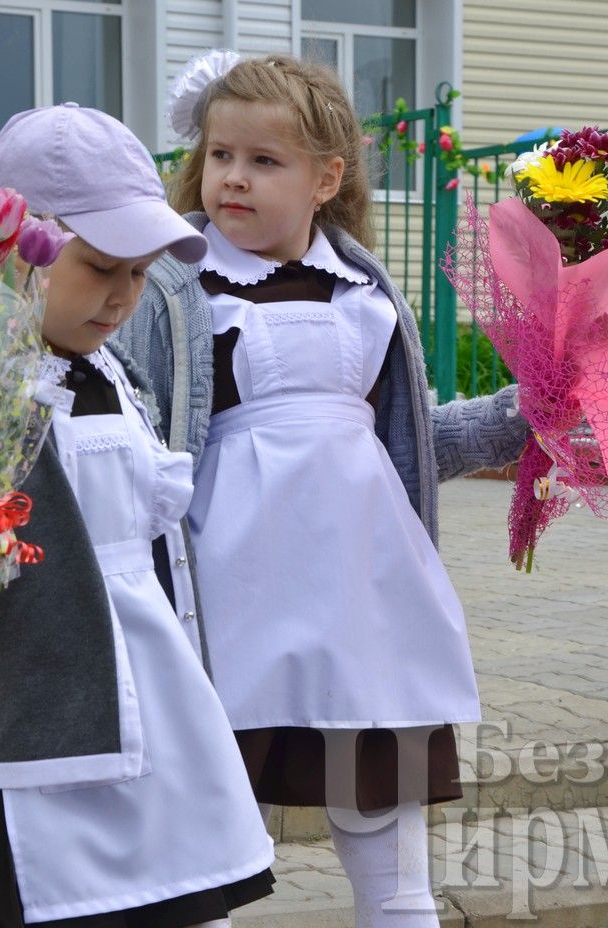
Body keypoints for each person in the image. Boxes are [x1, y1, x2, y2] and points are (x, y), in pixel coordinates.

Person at [118, 53, 529, 928]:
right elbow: (131, 435)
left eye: (264, 162)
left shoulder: (367, 294)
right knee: (205, 829)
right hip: (229, 595)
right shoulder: (167, 283)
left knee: (382, 818)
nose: (233, 177)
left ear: (324, 179)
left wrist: (520, 416)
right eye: (221, 154)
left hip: (366, 602)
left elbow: (404, 447)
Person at [0, 102, 275, 928]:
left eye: (139, 272)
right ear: (11, 254)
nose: (123, 295)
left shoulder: (118, 373)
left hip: (165, 708)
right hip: (47, 736)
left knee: (187, 903)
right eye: (97, 267)